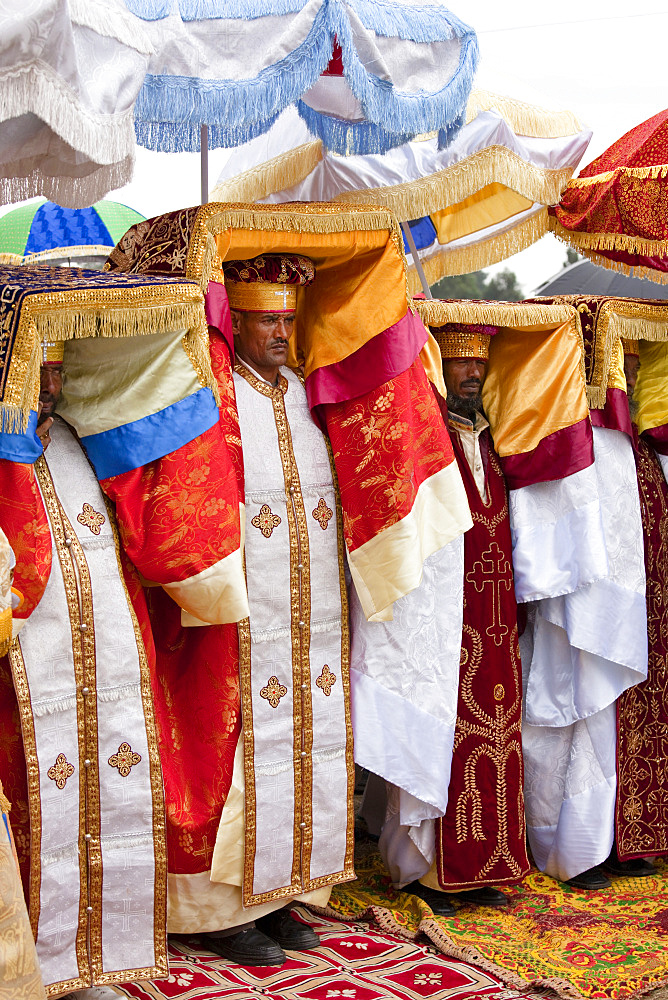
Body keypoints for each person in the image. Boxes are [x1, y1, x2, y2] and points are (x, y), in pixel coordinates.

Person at [125, 254, 354, 968]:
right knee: (229, 751)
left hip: (310, 616)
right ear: (239, 320)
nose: (281, 333)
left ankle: (282, 891)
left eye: (289, 320)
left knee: (302, 745)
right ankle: (217, 912)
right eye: (266, 320)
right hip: (238, 616)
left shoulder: (300, 395)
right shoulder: (215, 394)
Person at [0, 342, 167, 995]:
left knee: (108, 803)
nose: (50, 387)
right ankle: (33, 966)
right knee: (40, 818)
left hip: (104, 665)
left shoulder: (76, 439)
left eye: (57, 372)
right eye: (37, 372)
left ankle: (94, 957)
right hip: (24, 685)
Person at [398, 324, 528, 913]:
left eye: (479, 363)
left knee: (498, 738)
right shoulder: (430, 442)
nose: (471, 372)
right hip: (447, 619)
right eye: (459, 363)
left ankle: (490, 864)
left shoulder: (492, 439)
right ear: (439, 368)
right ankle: (433, 872)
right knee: (448, 736)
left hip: (495, 620)